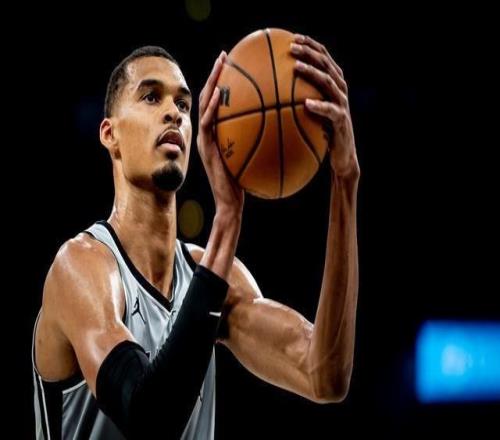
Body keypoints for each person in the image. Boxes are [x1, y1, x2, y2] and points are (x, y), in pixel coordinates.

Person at [32, 34, 360, 439]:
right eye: (151, 97)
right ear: (109, 134)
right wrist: (228, 219)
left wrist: (345, 181)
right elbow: (149, 419)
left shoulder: (216, 278)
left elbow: (325, 375)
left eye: (184, 105)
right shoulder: (80, 268)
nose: (173, 113)